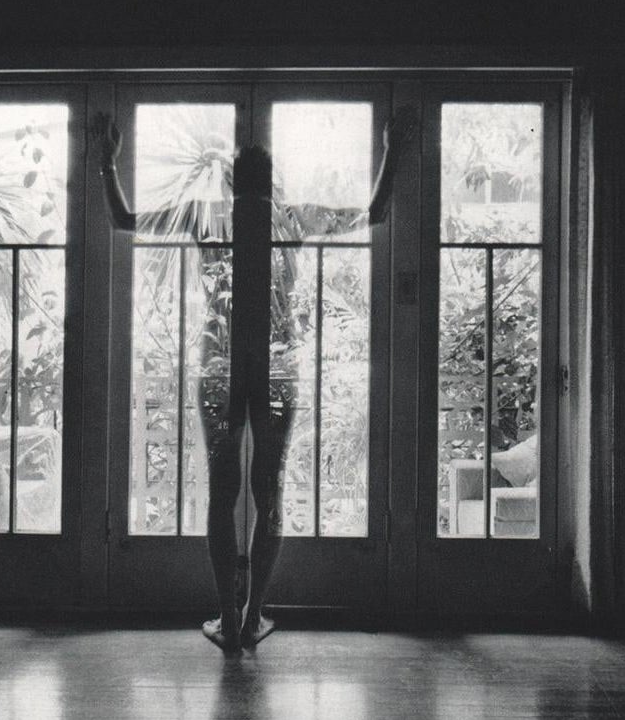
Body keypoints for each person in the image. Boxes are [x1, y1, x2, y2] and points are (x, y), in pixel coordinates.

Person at [94, 109, 410, 652]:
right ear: (272, 182)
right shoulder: (292, 217)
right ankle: (253, 614)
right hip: (277, 368)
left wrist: (107, 160)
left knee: (222, 495)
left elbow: (123, 219)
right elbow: (375, 212)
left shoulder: (205, 215)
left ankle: (226, 614)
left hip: (219, 365)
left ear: (232, 182)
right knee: (270, 491)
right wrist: (392, 149)